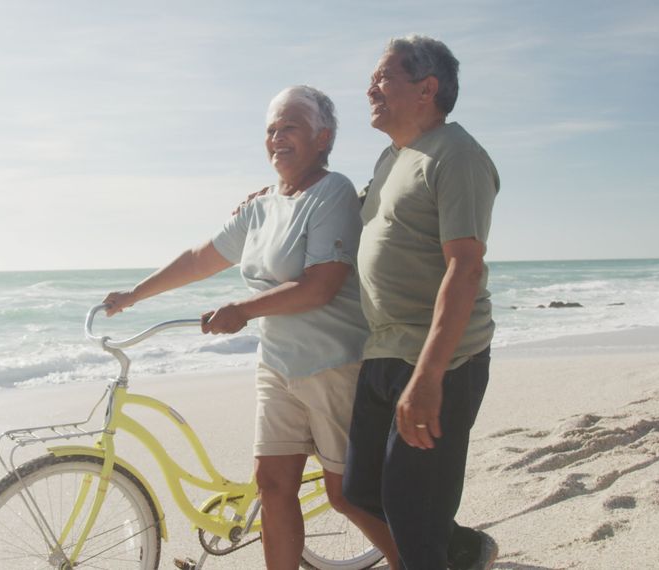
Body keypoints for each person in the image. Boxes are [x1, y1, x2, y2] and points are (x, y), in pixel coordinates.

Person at [102, 85, 399, 570]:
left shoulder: (332, 192)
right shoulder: (261, 206)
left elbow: (321, 285)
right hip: (277, 365)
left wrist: (242, 309)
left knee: (347, 496)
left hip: (333, 364)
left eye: (291, 127)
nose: (277, 137)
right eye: (271, 129)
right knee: (273, 485)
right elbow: (202, 258)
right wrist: (135, 294)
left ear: (323, 138)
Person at [340, 35, 501, 570]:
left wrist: (429, 377)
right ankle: (463, 549)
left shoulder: (458, 155)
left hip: (442, 361)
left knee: (412, 511)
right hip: (384, 349)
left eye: (383, 78)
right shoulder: (393, 157)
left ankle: (442, 548)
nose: (370, 88)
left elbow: (465, 266)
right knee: (360, 490)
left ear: (426, 88)